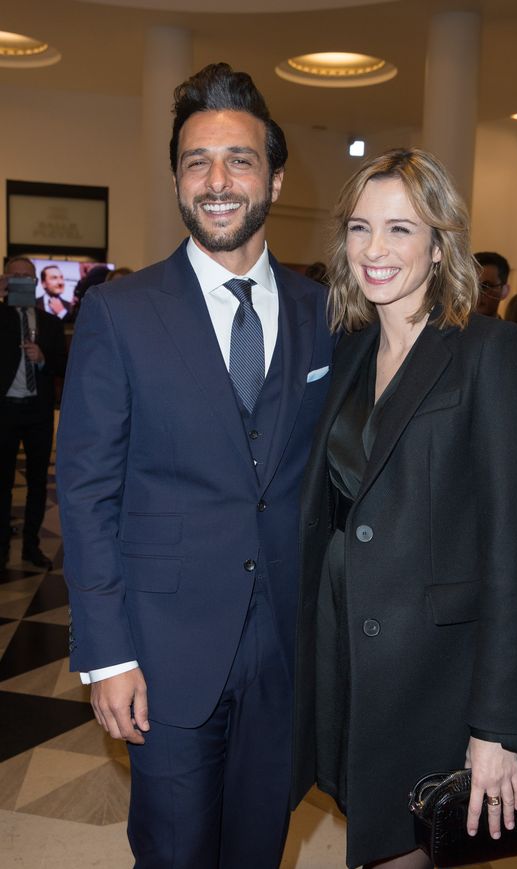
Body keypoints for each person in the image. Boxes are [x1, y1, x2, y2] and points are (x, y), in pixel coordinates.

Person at [56, 62, 334, 869]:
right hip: (164, 648)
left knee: (259, 847)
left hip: (286, 644)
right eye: (195, 162)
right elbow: (86, 487)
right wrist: (106, 654)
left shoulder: (326, 314)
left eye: (239, 160)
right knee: (175, 852)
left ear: (276, 178)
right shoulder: (119, 312)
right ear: (177, 179)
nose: (216, 181)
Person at [291, 148, 517, 869]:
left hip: (437, 676)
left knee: (407, 849)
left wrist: (496, 726)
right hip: (350, 657)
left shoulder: (487, 350)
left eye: (401, 229)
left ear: (439, 245)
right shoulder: (347, 352)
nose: (374, 249)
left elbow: (513, 553)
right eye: (360, 227)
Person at [0, 256, 67, 570]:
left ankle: (31, 545)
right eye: (15, 276)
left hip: (38, 414)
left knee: (40, 483)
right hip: (5, 413)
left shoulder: (50, 323)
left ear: (36, 282)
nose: (21, 281)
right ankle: (1, 550)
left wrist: (42, 359)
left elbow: (64, 364)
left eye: (27, 276)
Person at [474, 250, 510, 317]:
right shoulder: (452, 327)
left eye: (485, 286)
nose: (477, 293)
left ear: (504, 291)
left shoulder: (510, 327)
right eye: (471, 287)